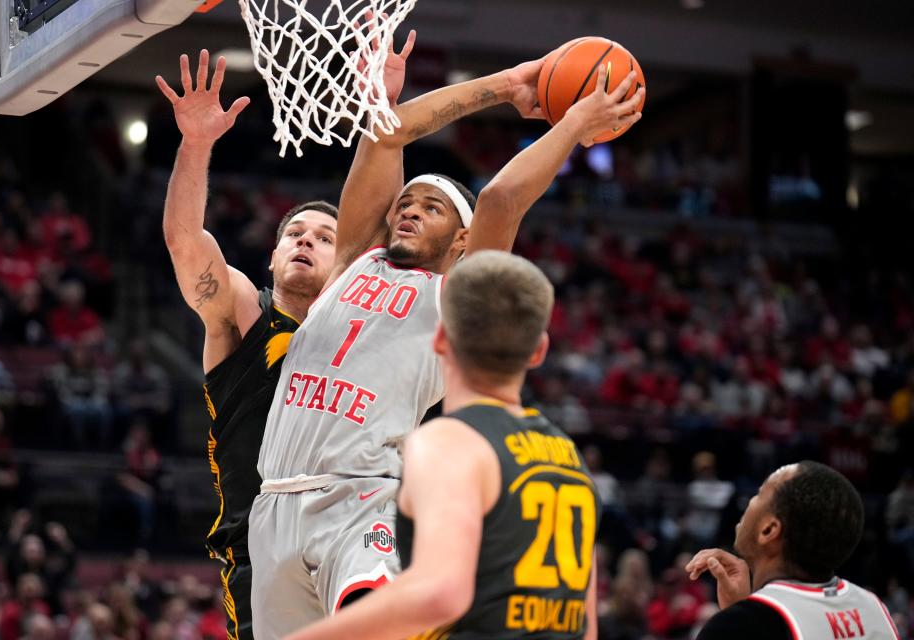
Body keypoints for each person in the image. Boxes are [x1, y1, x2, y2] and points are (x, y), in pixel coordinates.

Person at [248, 28, 643, 636]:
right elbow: (388, 131)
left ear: (461, 241)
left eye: (430, 207)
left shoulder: (457, 295)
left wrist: (572, 123)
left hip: (362, 501)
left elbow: (501, 201)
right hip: (272, 501)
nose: (408, 209)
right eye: (406, 201)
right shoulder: (353, 257)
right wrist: (508, 84)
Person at [155, 42, 411, 638]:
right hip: (258, 543)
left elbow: (378, 222)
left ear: (348, 259)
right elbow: (186, 242)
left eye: (324, 236)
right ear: (270, 257)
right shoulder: (245, 317)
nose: (305, 241)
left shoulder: (364, 328)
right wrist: (196, 145)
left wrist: (383, 110)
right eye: (294, 232)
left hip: (352, 527)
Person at [285, 252, 600, 639]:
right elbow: (587, 626)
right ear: (539, 351)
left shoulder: (449, 442)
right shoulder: (570, 457)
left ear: (439, 339)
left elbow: (442, 594)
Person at [685, 461, 901, 639]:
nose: (750, 500)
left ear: (769, 530)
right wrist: (744, 607)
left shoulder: (740, 627)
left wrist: (740, 617)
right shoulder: (872, 607)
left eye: (760, 495)